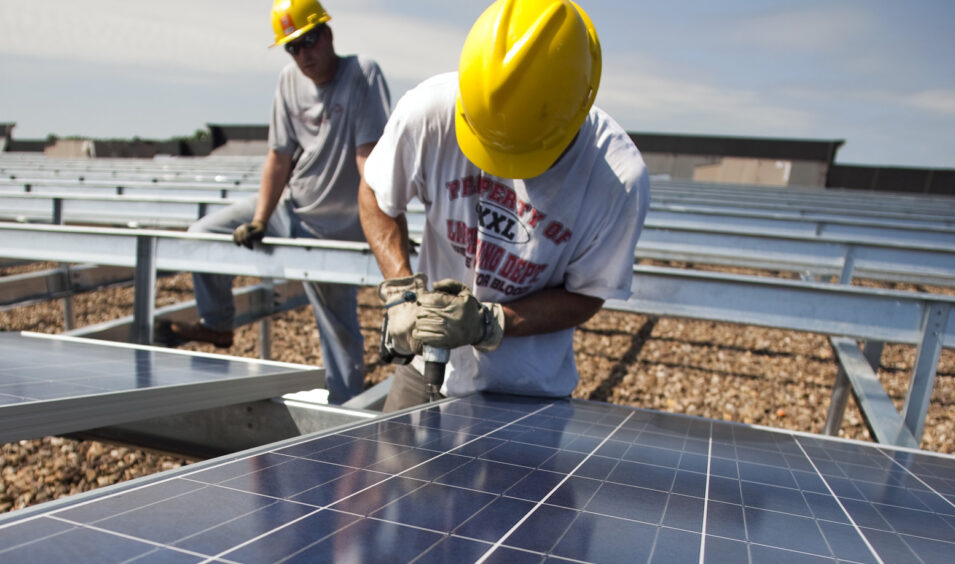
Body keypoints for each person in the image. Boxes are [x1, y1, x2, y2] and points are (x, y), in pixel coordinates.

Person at [357, 0, 650, 412]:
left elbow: (587, 293)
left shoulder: (616, 178)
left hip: (525, 390)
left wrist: (490, 321)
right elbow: (374, 193)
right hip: (425, 367)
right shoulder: (429, 113)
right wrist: (402, 291)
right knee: (394, 472)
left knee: (513, 478)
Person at [159, 0, 391, 406]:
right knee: (201, 236)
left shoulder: (361, 75)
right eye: (292, 47)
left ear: (328, 34)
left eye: (309, 40)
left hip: (337, 229)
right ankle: (217, 323)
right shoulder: (289, 82)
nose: (303, 54)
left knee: (338, 327)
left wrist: (385, 235)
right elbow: (279, 157)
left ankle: (345, 411)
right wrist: (262, 219)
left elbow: (368, 157)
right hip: (290, 210)